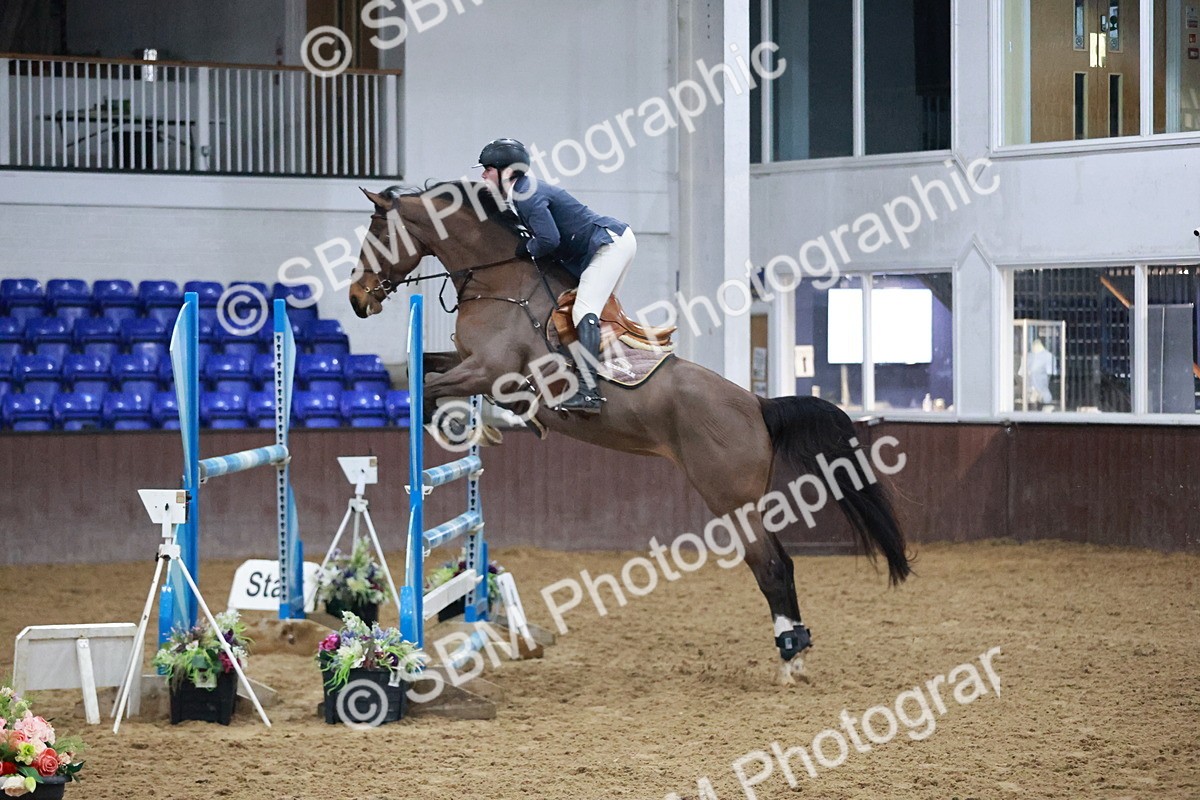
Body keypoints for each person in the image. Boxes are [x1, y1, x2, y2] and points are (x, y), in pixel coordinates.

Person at [476, 137, 637, 414]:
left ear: (505, 171)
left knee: (584, 311)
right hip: (607, 244)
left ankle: (588, 393)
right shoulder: (521, 193)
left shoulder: (525, 195)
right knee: (589, 312)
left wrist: (527, 248)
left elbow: (549, 240)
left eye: (487, 168)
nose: (483, 175)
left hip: (608, 244)